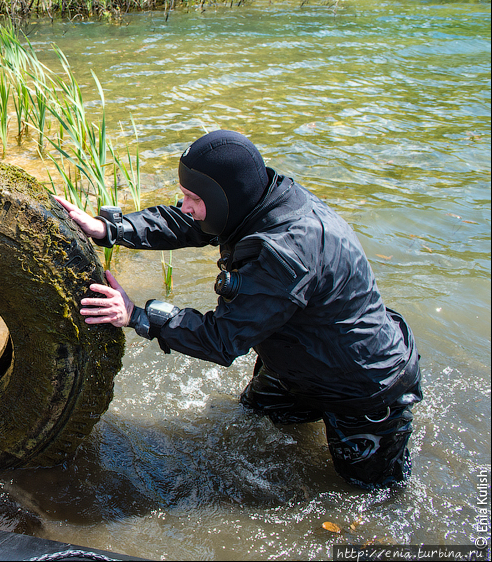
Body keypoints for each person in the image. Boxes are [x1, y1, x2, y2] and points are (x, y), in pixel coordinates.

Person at [55, 130, 422, 490]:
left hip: (363, 387)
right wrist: (109, 228)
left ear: (224, 197)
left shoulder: (284, 251)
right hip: (298, 362)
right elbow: (188, 222)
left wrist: (136, 315)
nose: (185, 205)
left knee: (372, 495)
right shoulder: (258, 200)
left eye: (192, 197)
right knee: (252, 421)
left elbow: (221, 340)